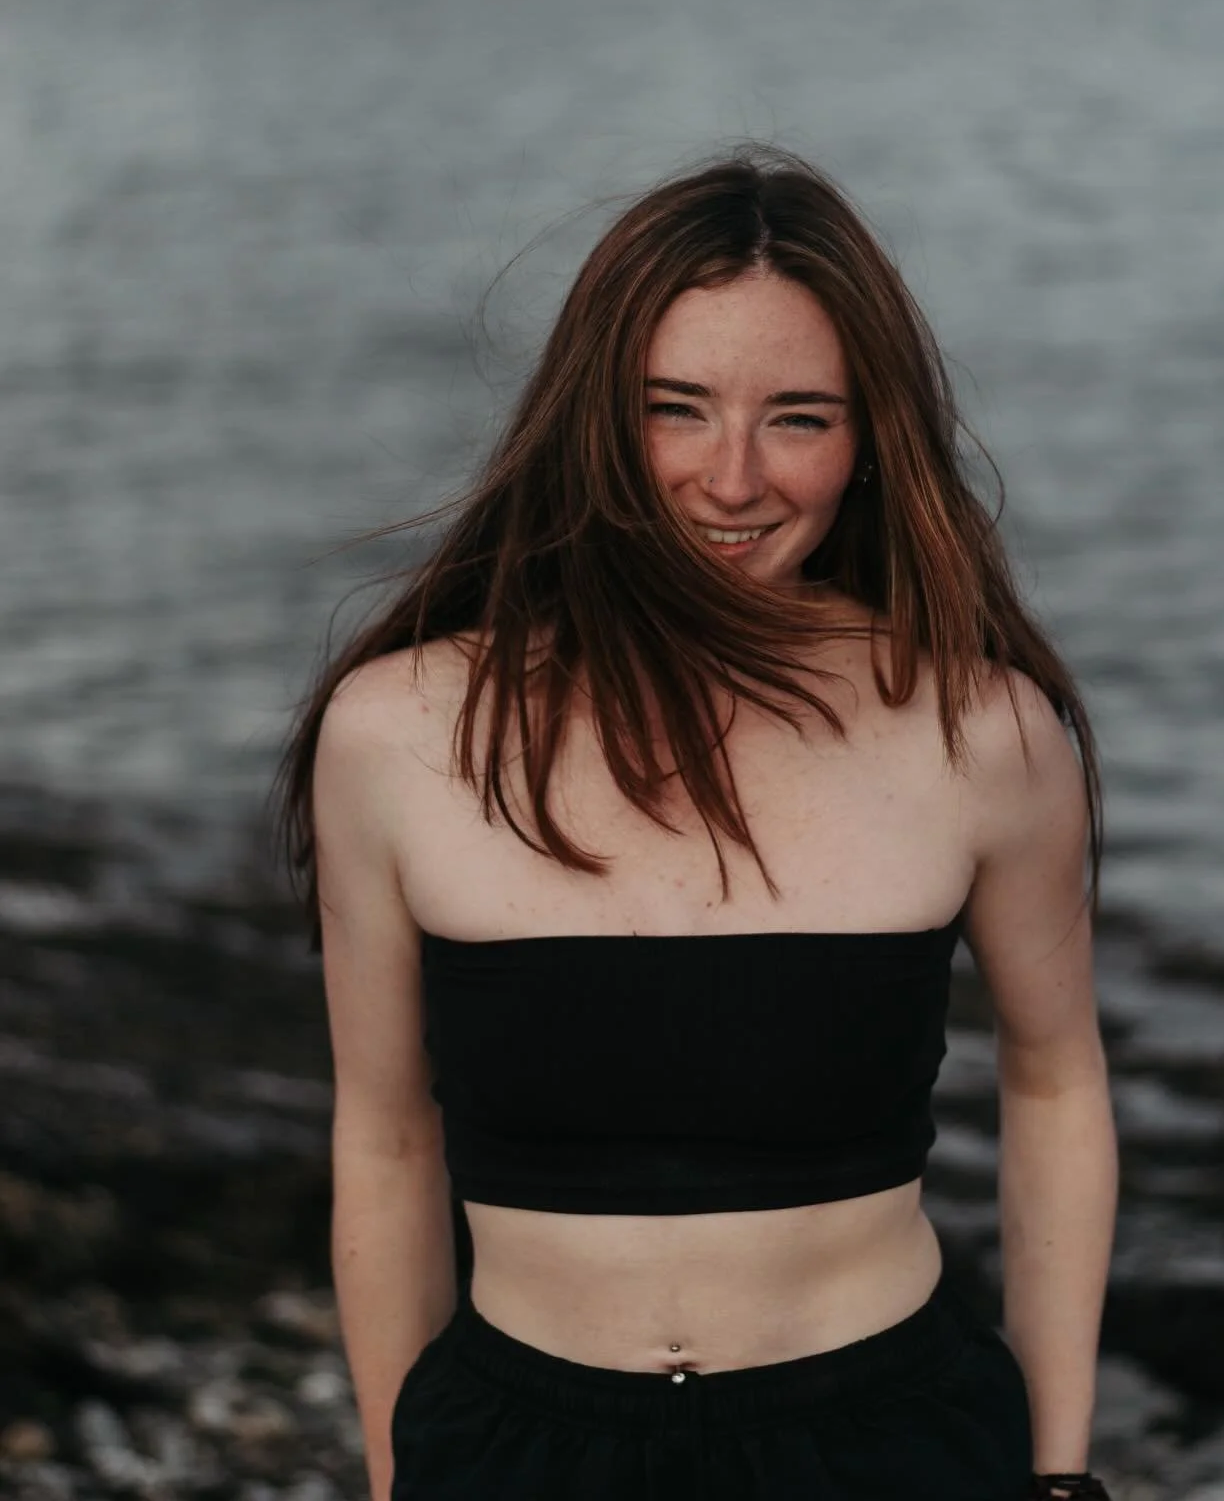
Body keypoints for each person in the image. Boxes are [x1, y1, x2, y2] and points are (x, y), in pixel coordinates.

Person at [275, 150, 1118, 1501]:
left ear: (869, 442)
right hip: (515, 1446)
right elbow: (384, 1139)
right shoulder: (398, 733)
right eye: (678, 409)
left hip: (890, 1442)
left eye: (798, 417)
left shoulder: (982, 730)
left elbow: (1057, 1079)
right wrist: (395, 1470)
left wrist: (1061, 1472)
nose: (732, 480)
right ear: (597, 420)